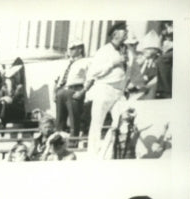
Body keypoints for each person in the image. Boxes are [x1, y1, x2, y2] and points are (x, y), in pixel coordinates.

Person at [84, 23, 129, 155]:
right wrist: (113, 63)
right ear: (114, 34)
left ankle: (112, 151)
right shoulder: (103, 51)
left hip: (120, 92)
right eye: (123, 31)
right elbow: (93, 72)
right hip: (104, 89)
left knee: (121, 122)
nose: (126, 33)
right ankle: (92, 153)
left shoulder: (126, 51)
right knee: (97, 123)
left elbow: (133, 71)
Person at [54, 39, 89, 136]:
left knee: (74, 119)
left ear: (80, 49)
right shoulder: (66, 63)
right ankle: (58, 141)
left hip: (75, 89)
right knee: (59, 120)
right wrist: (55, 92)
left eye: (73, 48)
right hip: (62, 90)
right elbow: (58, 79)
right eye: (70, 48)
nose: (70, 51)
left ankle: (73, 142)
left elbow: (90, 78)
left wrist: (82, 92)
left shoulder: (86, 61)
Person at [125, 31, 161, 100]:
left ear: (155, 51)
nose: (144, 51)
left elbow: (150, 79)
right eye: (145, 49)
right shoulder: (140, 59)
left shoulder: (156, 63)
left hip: (143, 93)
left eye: (148, 49)